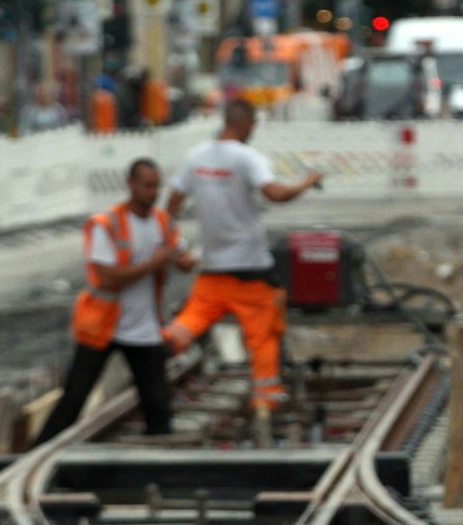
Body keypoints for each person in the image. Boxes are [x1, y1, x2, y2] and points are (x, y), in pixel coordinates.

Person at [163, 98, 323, 417]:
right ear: (247, 123)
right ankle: (264, 406)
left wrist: (177, 249)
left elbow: (170, 207)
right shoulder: (248, 158)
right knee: (263, 340)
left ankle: (153, 358)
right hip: (251, 272)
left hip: (212, 272)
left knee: (185, 327)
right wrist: (306, 182)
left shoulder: (195, 157)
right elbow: (274, 194)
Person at [41, 159, 196, 445]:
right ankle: (40, 452)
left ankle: (157, 457)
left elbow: (182, 255)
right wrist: (155, 263)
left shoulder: (162, 222)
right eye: (148, 186)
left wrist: (185, 260)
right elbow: (108, 278)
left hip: (144, 328)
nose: (153, 192)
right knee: (75, 396)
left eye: (156, 186)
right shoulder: (107, 224)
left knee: (157, 404)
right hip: (103, 326)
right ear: (132, 185)